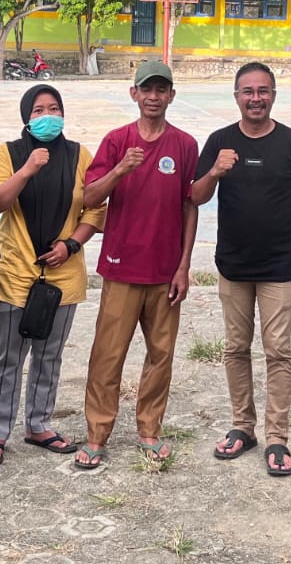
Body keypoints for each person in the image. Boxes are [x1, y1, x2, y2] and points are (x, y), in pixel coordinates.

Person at [192, 62, 291, 477]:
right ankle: (242, 427)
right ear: (236, 97)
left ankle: (277, 437)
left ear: (273, 96)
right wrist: (215, 171)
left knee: (278, 351)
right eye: (247, 91)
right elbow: (195, 195)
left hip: (278, 266)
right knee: (235, 348)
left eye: (263, 91)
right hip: (233, 265)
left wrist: (284, 228)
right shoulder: (220, 141)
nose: (255, 98)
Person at [77, 61, 199, 469]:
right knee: (107, 355)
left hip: (165, 272)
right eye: (147, 89)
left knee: (161, 355)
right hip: (121, 268)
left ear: (171, 96)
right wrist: (120, 169)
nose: (153, 97)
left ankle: (149, 430)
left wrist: (183, 266)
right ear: (134, 94)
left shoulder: (185, 145)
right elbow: (89, 197)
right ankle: (97, 434)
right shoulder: (117, 141)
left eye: (161, 90)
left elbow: (190, 205)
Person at [0, 85, 105, 467]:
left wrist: (71, 244)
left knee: (49, 355)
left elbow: (95, 209)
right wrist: (29, 169)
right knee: (8, 356)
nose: (47, 116)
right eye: (38, 110)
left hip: (63, 277)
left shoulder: (80, 155)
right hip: (15, 274)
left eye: (54, 109)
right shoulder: (9, 153)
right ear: (25, 118)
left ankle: (39, 424)